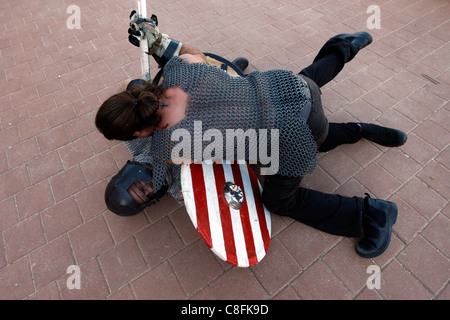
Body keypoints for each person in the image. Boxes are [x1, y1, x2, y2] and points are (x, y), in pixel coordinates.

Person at [95, 12, 407, 258]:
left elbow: (180, 177)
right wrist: (156, 40)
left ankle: (373, 214)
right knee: (306, 85)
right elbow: (185, 58)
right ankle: (345, 48)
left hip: (297, 130)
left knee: (282, 200)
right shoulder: (179, 73)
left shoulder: (176, 145)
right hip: (284, 85)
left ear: (138, 132)